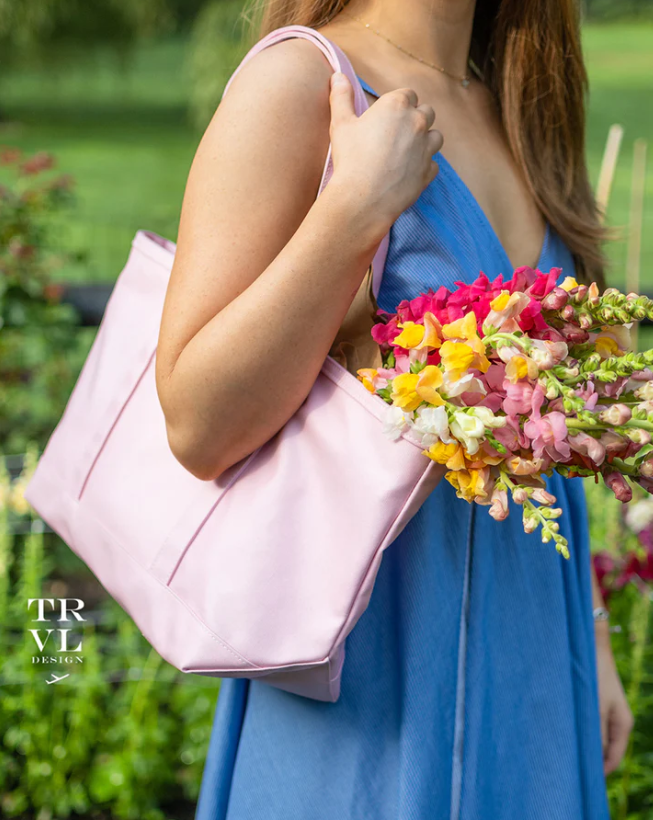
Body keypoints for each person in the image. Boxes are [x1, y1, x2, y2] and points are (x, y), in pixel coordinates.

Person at [154, 1, 634, 817]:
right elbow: (197, 422)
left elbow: (546, 436)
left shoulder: (517, 105)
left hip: (533, 669)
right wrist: (351, 214)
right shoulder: (299, 84)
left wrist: (588, 632)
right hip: (367, 681)